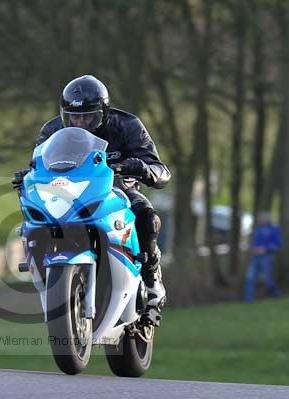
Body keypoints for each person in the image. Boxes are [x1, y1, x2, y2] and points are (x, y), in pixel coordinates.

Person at [13, 75, 172, 325]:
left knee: (147, 217)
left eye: (89, 116)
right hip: (65, 194)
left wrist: (142, 167)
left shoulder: (128, 125)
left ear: (104, 112)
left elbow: (161, 170)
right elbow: (37, 165)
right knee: (31, 222)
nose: (81, 122)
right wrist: (27, 175)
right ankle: (42, 268)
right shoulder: (52, 130)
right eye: (74, 116)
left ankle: (152, 283)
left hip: (116, 191)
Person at [243, 212, 282, 302]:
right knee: (250, 277)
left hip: (267, 257)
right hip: (255, 256)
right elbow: (254, 242)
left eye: (262, 219)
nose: (260, 220)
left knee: (266, 278)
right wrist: (254, 248)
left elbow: (277, 244)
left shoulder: (274, 229)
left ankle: (276, 294)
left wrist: (266, 248)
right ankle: (248, 299)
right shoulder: (257, 229)